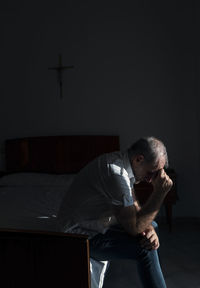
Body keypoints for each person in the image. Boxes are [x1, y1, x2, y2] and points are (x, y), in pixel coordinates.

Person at [57, 136, 173, 288]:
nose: (150, 180)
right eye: (152, 173)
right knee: (145, 250)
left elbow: (133, 203)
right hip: (77, 236)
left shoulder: (123, 163)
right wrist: (159, 193)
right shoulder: (115, 174)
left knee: (153, 226)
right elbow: (134, 228)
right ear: (139, 159)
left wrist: (149, 227)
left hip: (94, 222)